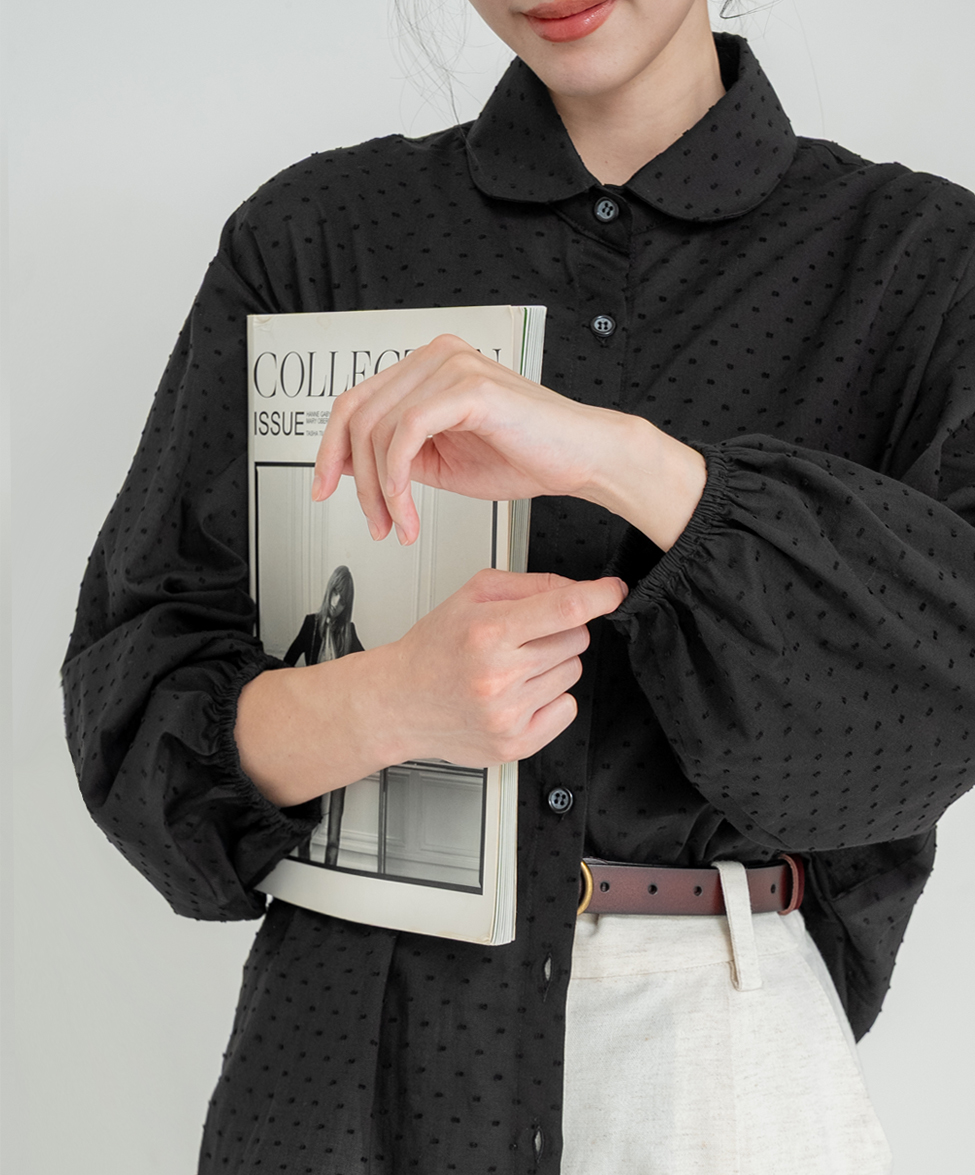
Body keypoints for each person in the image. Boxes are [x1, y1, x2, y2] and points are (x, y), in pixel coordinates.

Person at [61, 1, 975, 1172]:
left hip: (710, 1056)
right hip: (350, 1050)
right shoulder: (317, 239)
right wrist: (392, 700)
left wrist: (626, 461)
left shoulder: (919, 263)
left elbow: (937, 696)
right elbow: (132, 706)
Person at [284, 565, 366, 864]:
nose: (336, 603)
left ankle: (332, 860)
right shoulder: (311, 624)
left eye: (343, 599)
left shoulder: (348, 631)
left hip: (340, 727)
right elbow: (286, 663)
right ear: (328, 591)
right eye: (334, 594)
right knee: (309, 795)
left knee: (338, 795)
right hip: (310, 725)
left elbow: (367, 666)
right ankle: (305, 859)